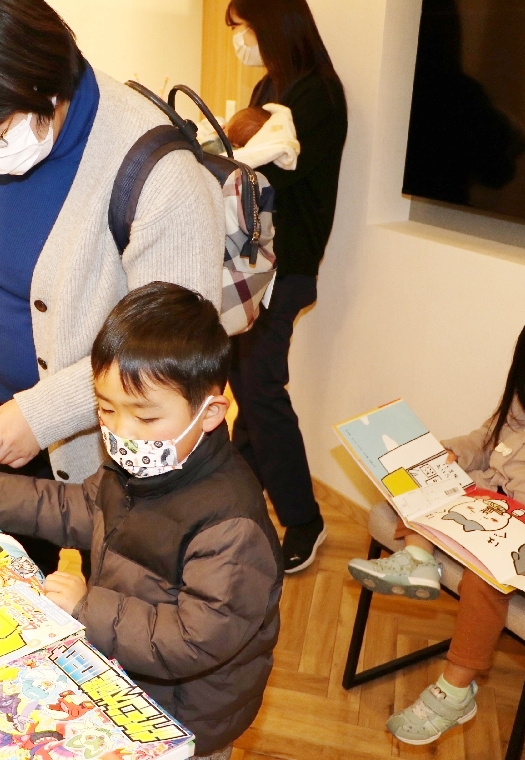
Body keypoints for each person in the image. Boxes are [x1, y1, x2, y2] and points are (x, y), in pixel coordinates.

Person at [0, 0, 224, 575]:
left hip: (114, 448)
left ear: (45, 85)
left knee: (116, 599)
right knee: (21, 582)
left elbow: (167, 359)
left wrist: (42, 414)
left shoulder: (159, 173)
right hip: (14, 419)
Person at [0, 283, 282, 760]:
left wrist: (86, 607)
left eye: (146, 417)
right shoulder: (137, 466)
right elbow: (82, 508)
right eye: (107, 409)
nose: (122, 433)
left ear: (210, 413)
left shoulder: (231, 524)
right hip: (124, 677)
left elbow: (195, 640)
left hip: (185, 718)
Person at [347, 301, 525, 745]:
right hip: (491, 505)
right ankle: (418, 559)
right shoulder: (523, 402)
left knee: (485, 578)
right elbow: (486, 438)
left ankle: (455, 691)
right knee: (420, 480)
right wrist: (451, 453)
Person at [224, 0, 348, 573]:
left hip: (287, 266)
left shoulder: (317, 95)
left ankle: (303, 519)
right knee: (246, 383)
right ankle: (239, 505)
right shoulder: (271, 88)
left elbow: (277, 177)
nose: (240, 40)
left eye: (243, 27)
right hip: (254, 265)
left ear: (271, 24)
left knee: (260, 387)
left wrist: (236, 158)